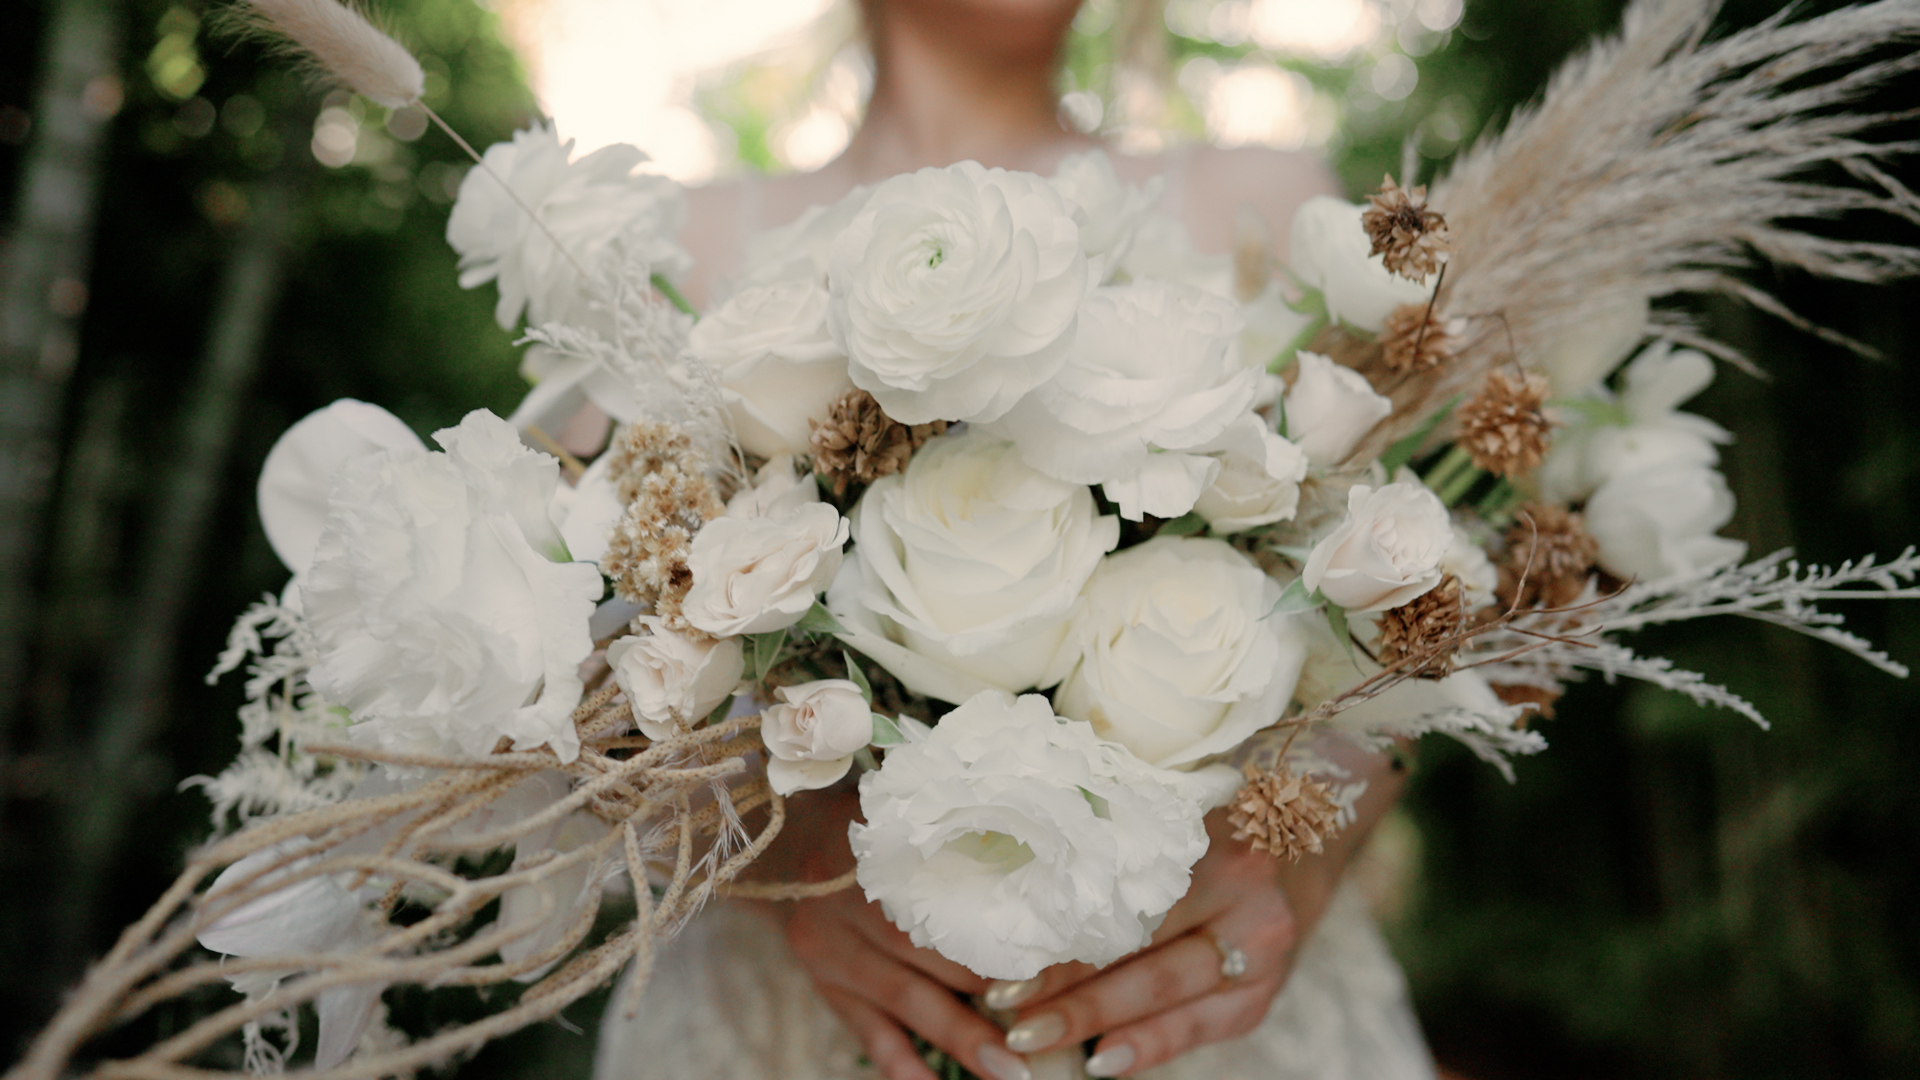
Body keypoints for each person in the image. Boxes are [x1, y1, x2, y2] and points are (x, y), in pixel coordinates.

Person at [592, 2, 1435, 1078]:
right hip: (792, 1017)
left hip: (1196, 1007)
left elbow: (1423, 600)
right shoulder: (680, 245)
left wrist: (1295, 873)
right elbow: (587, 671)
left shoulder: (1263, 203)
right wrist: (776, 856)